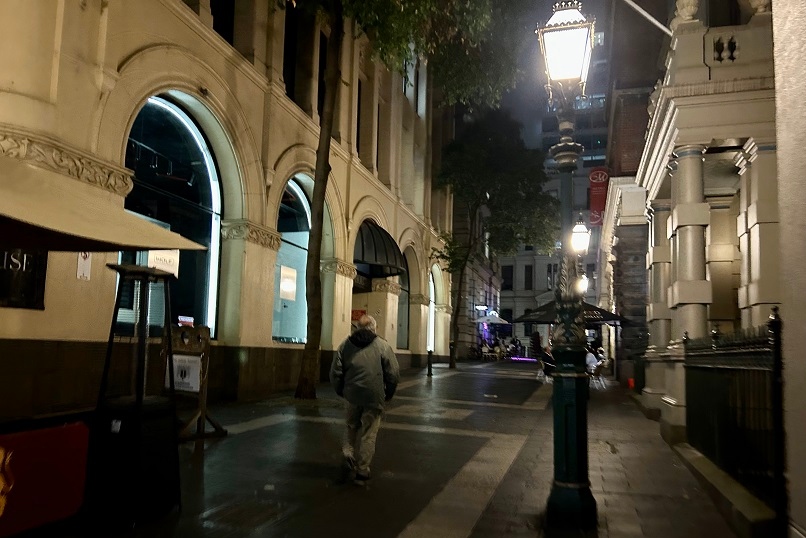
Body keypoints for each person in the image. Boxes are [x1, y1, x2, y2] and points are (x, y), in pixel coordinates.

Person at [330, 314, 400, 486]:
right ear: (374, 328)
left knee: (350, 426)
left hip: (352, 394)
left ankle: (348, 454)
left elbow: (335, 371)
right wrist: (389, 393)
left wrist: (340, 390)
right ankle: (362, 470)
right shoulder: (382, 346)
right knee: (369, 433)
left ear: (357, 328)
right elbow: (393, 372)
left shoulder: (345, 345)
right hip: (373, 396)